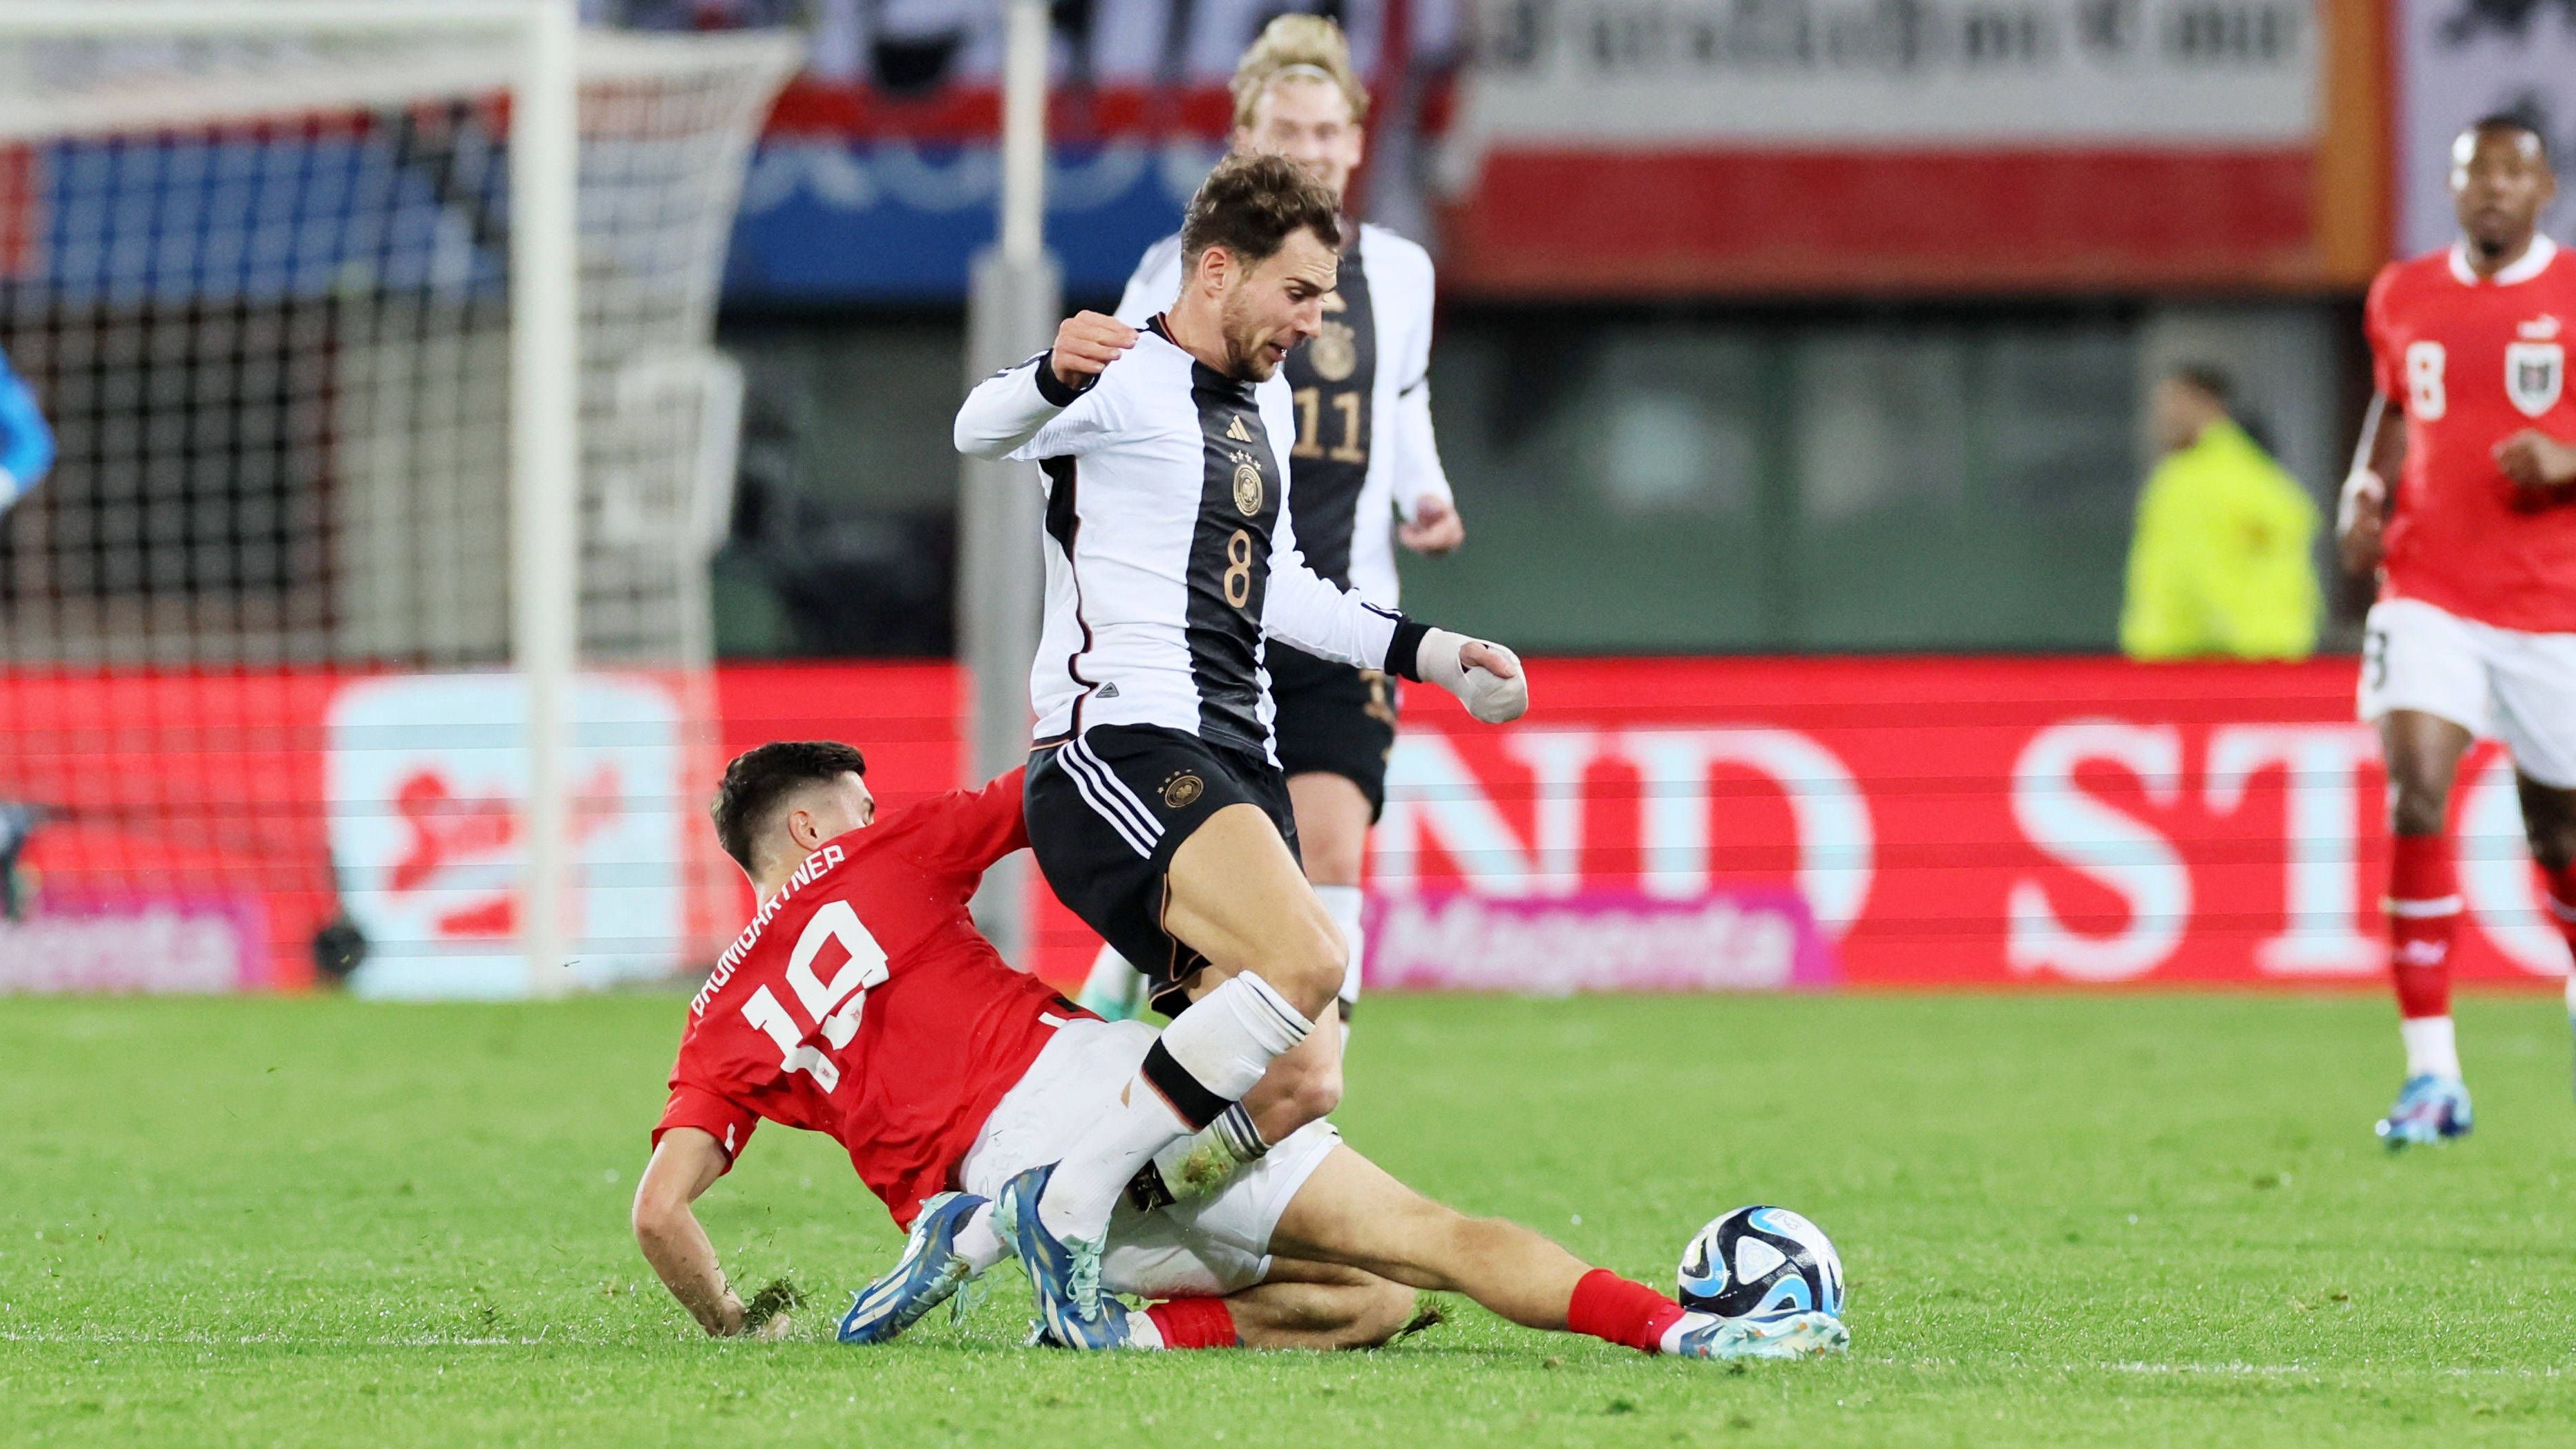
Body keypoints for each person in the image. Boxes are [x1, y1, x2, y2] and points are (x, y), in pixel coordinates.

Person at [631, 740, 1846, 1361]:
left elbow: (659, 1215)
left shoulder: (716, 1020)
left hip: (1011, 1188)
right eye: (853, 800)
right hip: (1105, 1095)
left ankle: (1093, 1310)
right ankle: (1683, 1329)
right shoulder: (875, 850)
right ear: (806, 823)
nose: (869, 810)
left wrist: (736, 1324)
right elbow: (1055, 786)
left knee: (1369, 1303)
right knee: (1423, 1240)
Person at [951, 152, 1528, 1346]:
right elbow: (976, 426)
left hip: (1235, 758)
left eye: (1326, 300)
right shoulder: (1118, 376)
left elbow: (1285, 595)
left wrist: (1432, 649)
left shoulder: (1255, 409)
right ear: (1218, 271)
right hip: (1125, 742)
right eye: (1302, 294)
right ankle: (1054, 1209)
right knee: (1314, 955)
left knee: (1302, 1081)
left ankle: (1078, 1255)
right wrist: (1046, 371)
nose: (1316, 324)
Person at [1077, 15, 1464, 1046]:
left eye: (1328, 131)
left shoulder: (1403, 273)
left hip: (1343, 611)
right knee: (1192, 869)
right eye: (1287, 130)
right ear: (1245, 141)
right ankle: (1111, 1021)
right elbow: (1117, 401)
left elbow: (1404, 397)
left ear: (1356, 139)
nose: (1311, 150)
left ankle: (1309, 1073)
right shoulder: (1179, 268)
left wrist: (1424, 492)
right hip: (1217, 617)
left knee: (1332, 849)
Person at [2336, 115, 2576, 1147]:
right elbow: (2395, 403)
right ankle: (2433, 1075)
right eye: (2474, 172)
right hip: (2428, 582)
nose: (2490, 189)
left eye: (2511, 173)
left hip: (2552, 604)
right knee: (2417, 787)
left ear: (2544, 191)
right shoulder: (2403, 291)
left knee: (2560, 834)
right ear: (2453, 186)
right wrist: (2364, 484)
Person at [2118, 363, 2320, 661]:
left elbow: (2278, 557)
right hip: (2183, 655)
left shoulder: (2228, 476)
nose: (2163, 416)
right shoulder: (2186, 473)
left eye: (2175, 402)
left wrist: (2249, 637)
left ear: (2208, 404)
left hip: (2214, 657)